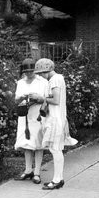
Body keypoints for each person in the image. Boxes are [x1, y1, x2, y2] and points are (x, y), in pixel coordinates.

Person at [33, 58, 78, 190]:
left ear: (47, 70)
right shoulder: (56, 79)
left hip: (55, 120)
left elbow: (56, 100)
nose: (40, 75)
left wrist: (41, 98)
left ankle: (57, 180)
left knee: (55, 150)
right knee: (56, 149)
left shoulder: (55, 79)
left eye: (41, 73)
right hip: (56, 118)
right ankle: (59, 178)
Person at [14, 58, 48, 184]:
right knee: (27, 143)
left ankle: (37, 172)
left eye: (31, 71)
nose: (28, 73)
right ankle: (28, 170)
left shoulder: (43, 82)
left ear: (35, 70)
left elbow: (48, 99)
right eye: (26, 71)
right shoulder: (20, 83)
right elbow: (16, 100)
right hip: (25, 116)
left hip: (38, 115)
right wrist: (21, 98)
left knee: (38, 144)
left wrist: (39, 98)